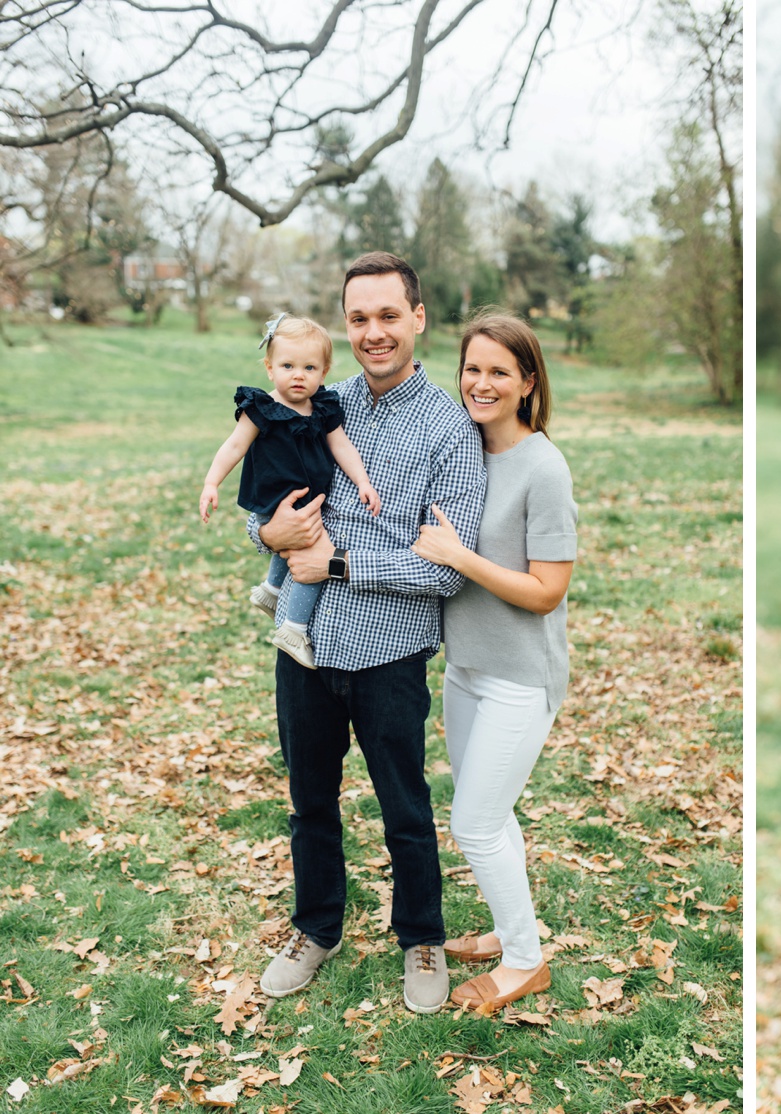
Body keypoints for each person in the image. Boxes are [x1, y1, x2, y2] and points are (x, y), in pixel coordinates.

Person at [250, 252, 486, 1014]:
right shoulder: (317, 402)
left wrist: (340, 564)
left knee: (404, 807)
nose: (373, 332)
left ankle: (421, 936)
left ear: (419, 317)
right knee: (308, 801)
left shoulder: (452, 428)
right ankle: (315, 928)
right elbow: (268, 507)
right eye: (359, 319)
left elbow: (448, 568)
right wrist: (271, 537)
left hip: (389, 652)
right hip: (304, 651)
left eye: (389, 316)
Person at [409, 312, 577, 1011]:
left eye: (498, 372)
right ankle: (512, 931)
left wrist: (462, 559)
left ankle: (525, 962)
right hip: (465, 667)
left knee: (474, 824)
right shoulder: (462, 452)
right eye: (472, 369)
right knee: (490, 814)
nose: (481, 383)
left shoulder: (544, 466)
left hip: (520, 677)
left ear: (528, 382)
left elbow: (547, 592)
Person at [199, 312, 381, 669]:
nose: (298, 375)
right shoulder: (261, 408)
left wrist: (362, 481)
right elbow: (234, 447)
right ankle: (294, 629)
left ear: (323, 373)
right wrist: (211, 483)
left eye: (310, 368)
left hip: (307, 496)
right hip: (274, 495)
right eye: (288, 366)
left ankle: (270, 591)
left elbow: (342, 447)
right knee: (313, 554)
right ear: (270, 368)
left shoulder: (323, 407)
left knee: (298, 543)